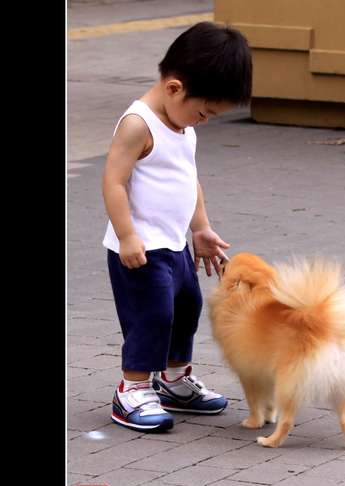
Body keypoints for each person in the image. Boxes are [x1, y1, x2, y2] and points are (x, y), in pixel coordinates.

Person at [101, 21, 252, 432]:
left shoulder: (182, 125)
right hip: (139, 249)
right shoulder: (138, 124)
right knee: (152, 315)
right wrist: (127, 235)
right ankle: (132, 388)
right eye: (204, 112)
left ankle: (173, 380)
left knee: (187, 308)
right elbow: (113, 181)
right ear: (174, 88)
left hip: (174, 245)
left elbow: (189, 179)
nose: (203, 121)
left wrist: (200, 229)